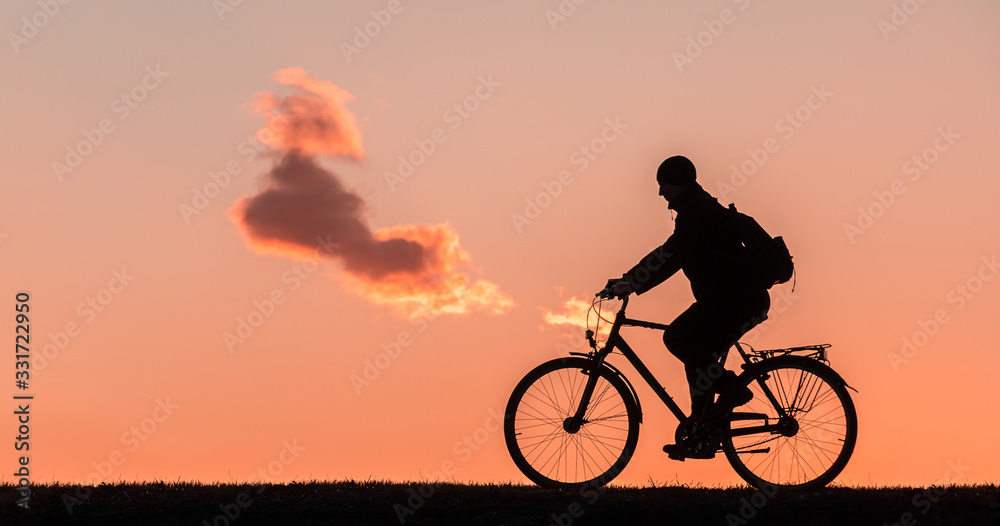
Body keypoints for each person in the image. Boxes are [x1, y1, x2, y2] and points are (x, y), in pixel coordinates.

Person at [607, 155, 771, 459]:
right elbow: (672, 252)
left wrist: (632, 282)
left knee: (677, 337)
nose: (659, 193)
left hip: (736, 300)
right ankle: (703, 433)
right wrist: (629, 279)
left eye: (662, 184)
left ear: (678, 182)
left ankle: (733, 389)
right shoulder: (698, 208)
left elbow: (671, 254)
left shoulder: (697, 212)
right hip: (735, 300)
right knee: (698, 356)